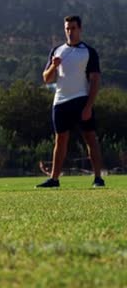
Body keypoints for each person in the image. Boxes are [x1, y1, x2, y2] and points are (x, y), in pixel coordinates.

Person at [37, 15, 105, 188]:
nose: (70, 31)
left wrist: (89, 106)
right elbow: (46, 78)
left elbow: (95, 80)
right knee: (60, 141)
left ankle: (98, 177)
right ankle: (54, 179)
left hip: (81, 100)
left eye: (73, 28)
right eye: (67, 28)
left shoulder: (88, 52)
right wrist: (53, 65)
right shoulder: (57, 51)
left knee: (90, 139)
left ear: (80, 29)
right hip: (60, 102)